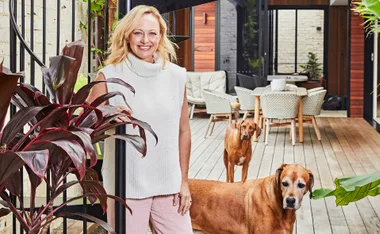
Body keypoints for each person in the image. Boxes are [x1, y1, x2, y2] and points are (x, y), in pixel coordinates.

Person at [87, 5, 193, 234]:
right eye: (138, 32)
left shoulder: (176, 76)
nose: (146, 40)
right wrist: (108, 118)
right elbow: (83, 126)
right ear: (127, 35)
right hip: (127, 187)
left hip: (169, 185)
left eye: (152, 33)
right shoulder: (110, 76)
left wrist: (183, 182)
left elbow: (183, 131)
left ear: (161, 37)